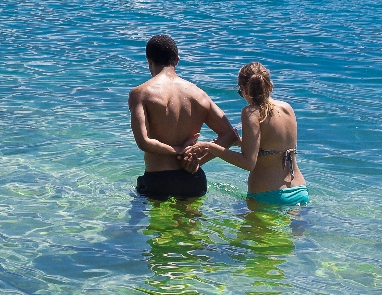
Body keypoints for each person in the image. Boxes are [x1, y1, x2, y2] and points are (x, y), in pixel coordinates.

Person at [183, 62, 309, 207]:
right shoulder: (287, 108)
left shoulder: (251, 113)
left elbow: (248, 162)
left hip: (269, 195)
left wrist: (210, 147)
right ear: (270, 86)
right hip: (300, 190)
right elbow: (272, 147)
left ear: (244, 90)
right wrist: (239, 142)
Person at [128, 34, 238, 199]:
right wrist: (197, 160)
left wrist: (177, 151)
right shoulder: (199, 95)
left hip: (158, 180)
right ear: (177, 60)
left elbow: (143, 142)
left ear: (149, 60)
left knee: (155, 225)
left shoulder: (141, 93)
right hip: (193, 180)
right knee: (191, 224)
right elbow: (230, 135)